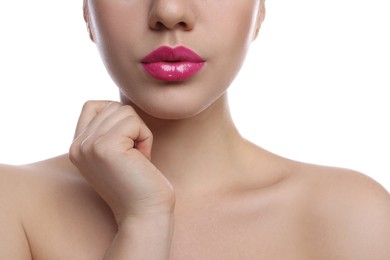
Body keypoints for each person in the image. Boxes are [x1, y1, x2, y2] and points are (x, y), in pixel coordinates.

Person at [1, 0, 389, 259]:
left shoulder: (354, 218)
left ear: (260, 11)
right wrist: (143, 221)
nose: (169, 11)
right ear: (87, 11)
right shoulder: (12, 206)